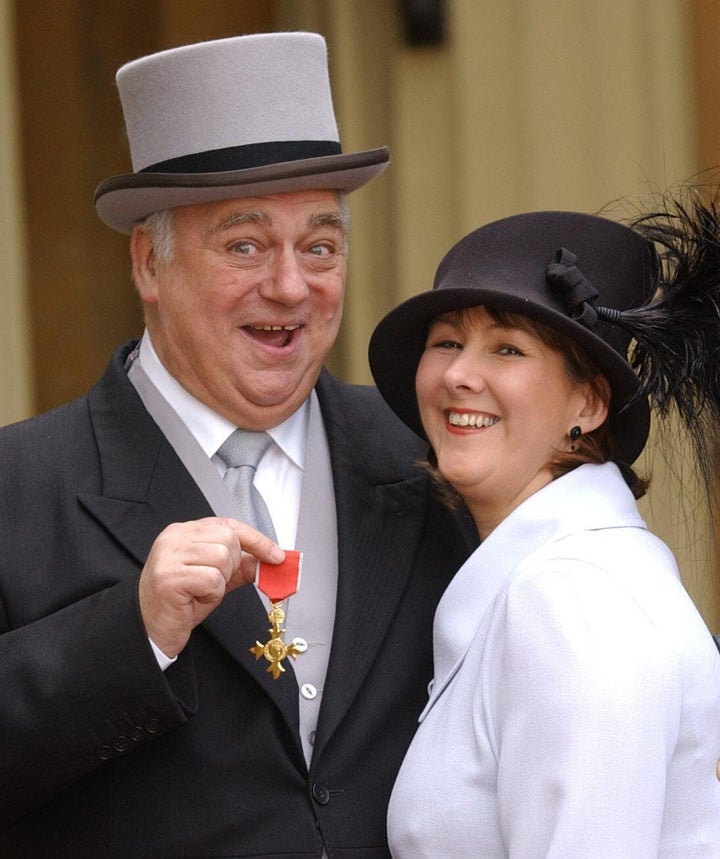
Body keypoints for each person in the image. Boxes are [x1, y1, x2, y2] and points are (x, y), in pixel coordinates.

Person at [0, 33, 475, 856]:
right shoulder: (20, 484)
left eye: (320, 246)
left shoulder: (422, 455)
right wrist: (131, 632)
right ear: (149, 262)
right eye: (245, 245)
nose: (291, 286)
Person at [368, 200, 720, 856]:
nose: (458, 374)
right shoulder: (554, 581)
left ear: (587, 403)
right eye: (446, 341)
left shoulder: (573, 599)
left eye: (507, 347)